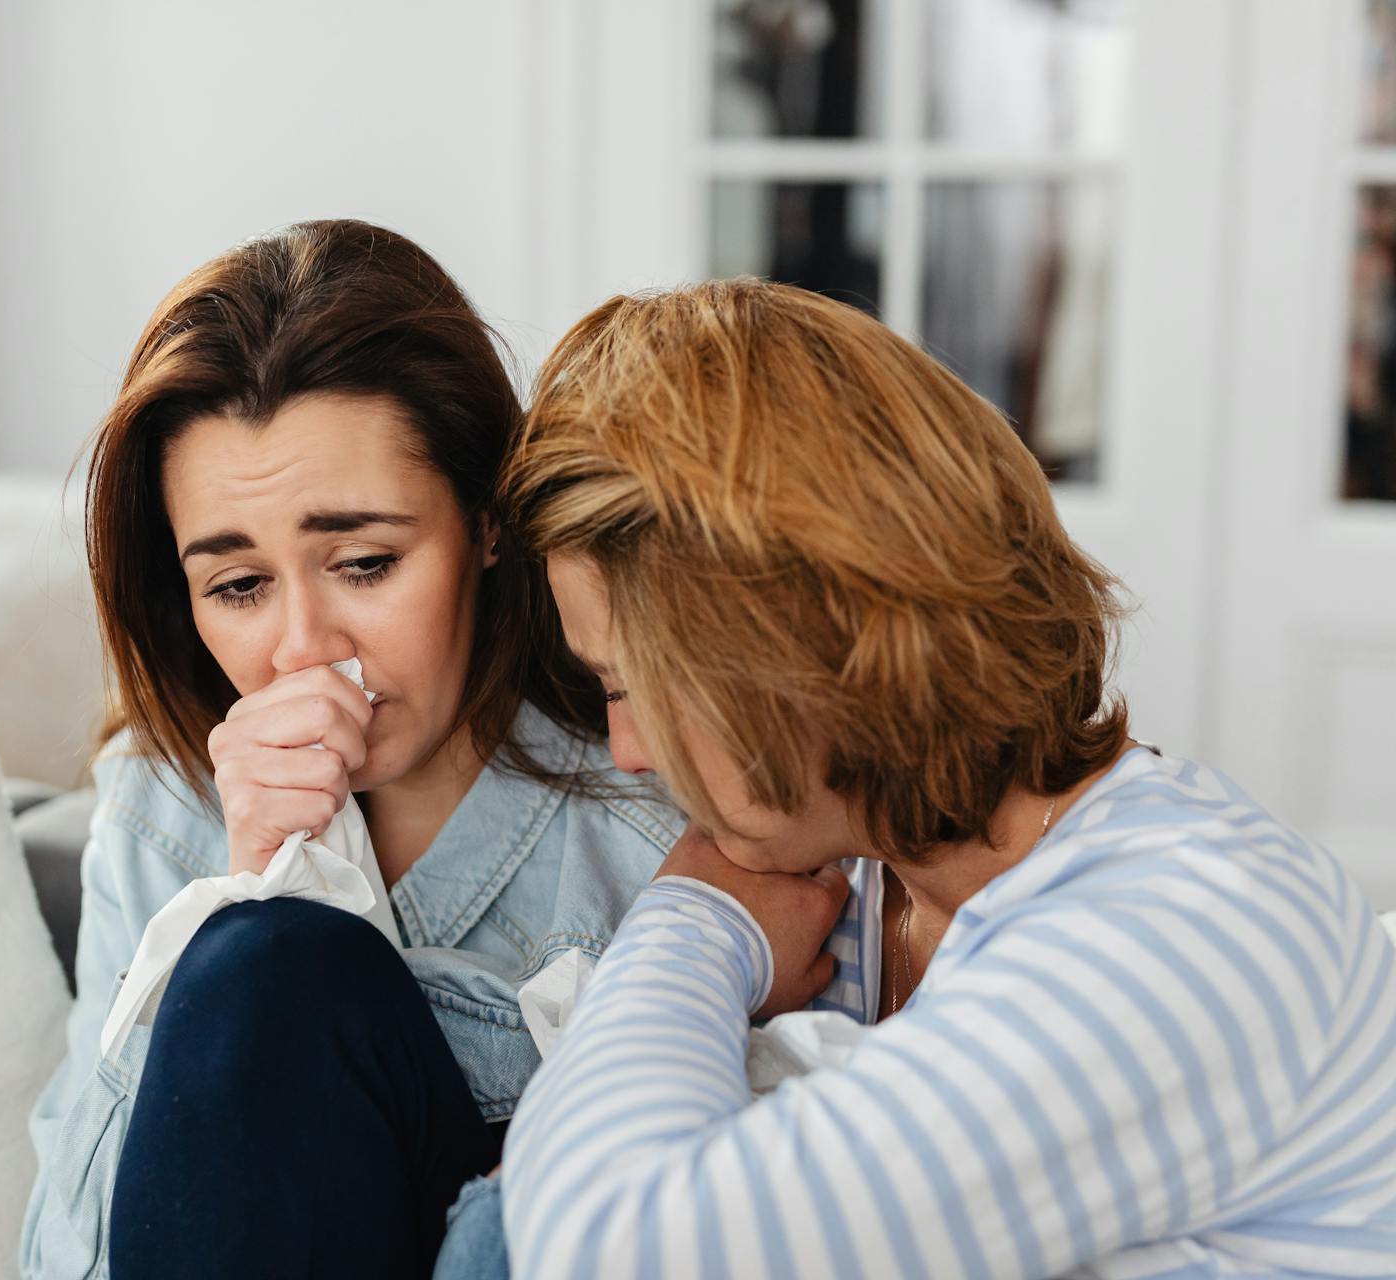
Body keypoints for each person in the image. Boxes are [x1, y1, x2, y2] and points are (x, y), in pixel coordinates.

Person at [466, 278, 1396, 1278]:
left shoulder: (1186, 933)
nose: (631, 751)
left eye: (635, 686)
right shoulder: (876, 881)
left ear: (796, 642)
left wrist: (695, 921)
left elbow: (607, 1247)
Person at [18, 220, 678, 1280]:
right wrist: (241, 889)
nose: (301, 649)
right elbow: (68, 1258)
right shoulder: (163, 801)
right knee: (251, 955)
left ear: (488, 523)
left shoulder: (647, 815)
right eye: (237, 586)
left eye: (365, 562)